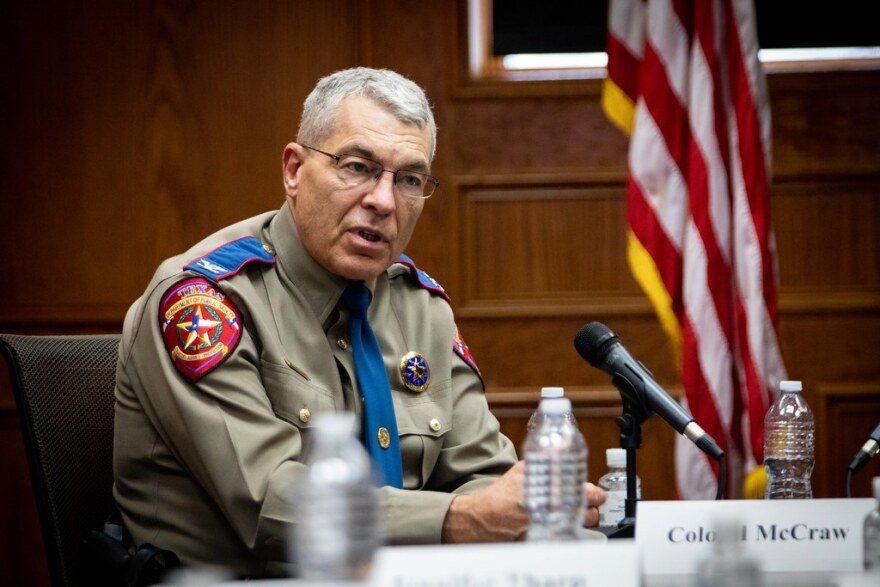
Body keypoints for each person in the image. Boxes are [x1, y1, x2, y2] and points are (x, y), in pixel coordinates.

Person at [113, 67, 606, 578]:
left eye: (409, 179)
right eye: (357, 167)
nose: (383, 201)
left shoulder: (419, 306)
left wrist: (530, 514)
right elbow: (268, 503)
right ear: (294, 170)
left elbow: (482, 474)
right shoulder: (204, 304)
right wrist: (459, 520)